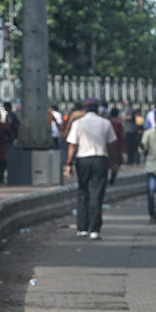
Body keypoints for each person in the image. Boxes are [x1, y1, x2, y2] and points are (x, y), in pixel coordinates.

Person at [65, 98, 116, 240]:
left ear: (85, 109)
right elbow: (111, 145)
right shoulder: (105, 124)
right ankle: (94, 229)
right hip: (100, 159)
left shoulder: (78, 124)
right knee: (97, 194)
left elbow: (72, 146)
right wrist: (113, 163)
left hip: (83, 160)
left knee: (83, 192)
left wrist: (69, 164)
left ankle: (82, 228)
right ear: (98, 108)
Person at [107, 107, 125, 184]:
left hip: (108, 144)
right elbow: (122, 136)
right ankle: (113, 176)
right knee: (116, 163)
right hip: (117, 145)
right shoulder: (119, 123)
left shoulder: (108, 122)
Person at [122, 100, 140, 165]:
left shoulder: (130, 109)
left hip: (130, 130)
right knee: (130, 146)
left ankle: (132, 160)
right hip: (129, 130)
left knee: (131, 146)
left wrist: (124, 117)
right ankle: (132, 160)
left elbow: (130, 117)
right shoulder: (128, 109)